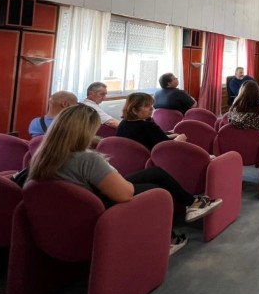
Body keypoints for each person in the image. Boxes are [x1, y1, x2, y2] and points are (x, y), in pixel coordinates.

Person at [28, 104, 222, 254]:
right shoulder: (87, 159)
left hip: (73, 206)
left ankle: (193, 203)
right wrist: (114, 174)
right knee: (156, 190)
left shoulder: (42, 155)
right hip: (97, 207)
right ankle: (167, 238)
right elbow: (125, 194)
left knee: (156, 173)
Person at [117, 92, 187, 151]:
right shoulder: (148, 126)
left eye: (151, 105)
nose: (151, 108)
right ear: (134, 110)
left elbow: (147, 139)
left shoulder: (123, 123)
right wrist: (179, 139)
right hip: (154, 159)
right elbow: (166, 148)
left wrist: (167, 136)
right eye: (146, 106)